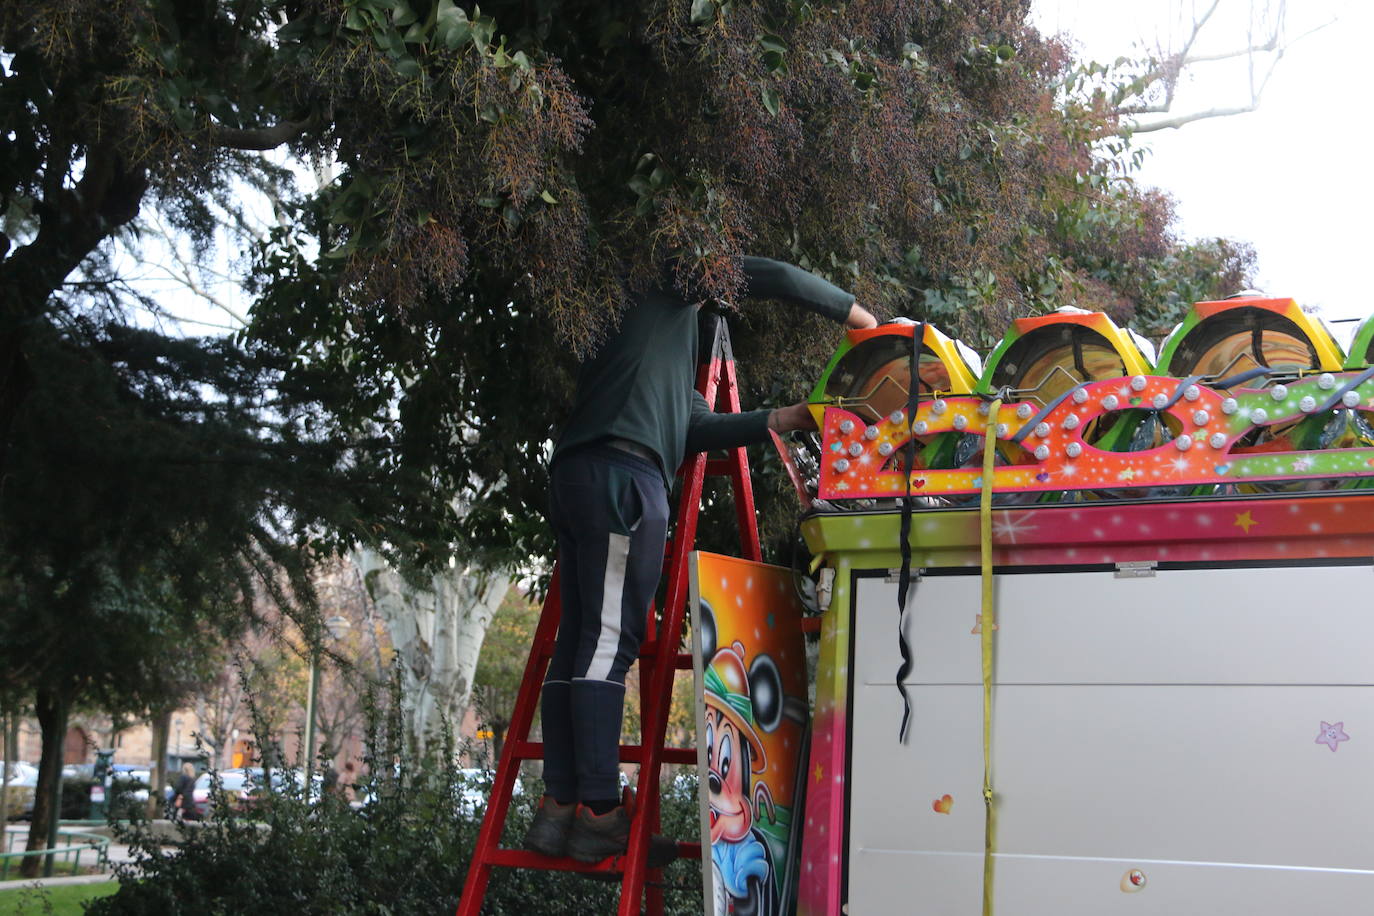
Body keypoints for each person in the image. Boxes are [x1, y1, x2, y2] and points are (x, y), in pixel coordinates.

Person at [522, 256, 876, 864]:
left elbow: (690, 423)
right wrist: (858, 314)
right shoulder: (669, 275)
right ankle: (600, 809)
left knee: (582, 640)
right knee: (607, 645)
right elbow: (770, 275)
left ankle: (559, 808)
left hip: (581, 474)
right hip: (624, 481)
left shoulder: (641, 327)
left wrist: (783, 418)